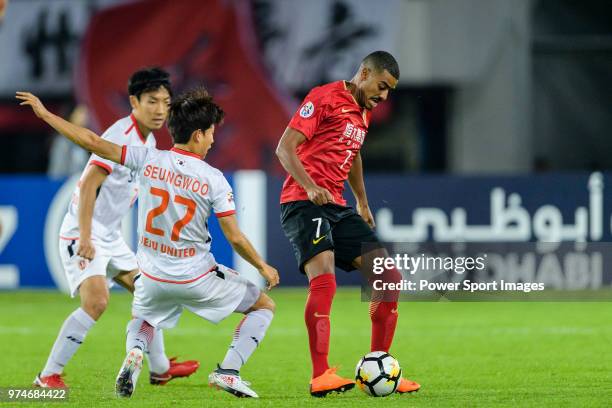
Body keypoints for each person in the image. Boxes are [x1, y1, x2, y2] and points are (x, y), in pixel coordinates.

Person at [17, 87, 280, 399]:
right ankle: (229, 371)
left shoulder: (147, 158)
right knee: (263, 306)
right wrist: (262, 265)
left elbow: (92, 142)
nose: (212, 140)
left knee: (143, 316)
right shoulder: (213, 178)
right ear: (197, 135)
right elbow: (234, 236)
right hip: (196, 277)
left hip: (152, 278)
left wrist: (46, 115)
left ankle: (137, 354)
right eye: (211, 133)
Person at [31, 68, 198, 388]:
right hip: (85, 229)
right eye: (152, 101)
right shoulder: (119, 136)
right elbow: (90, 182)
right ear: (134, 101)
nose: (161, 109)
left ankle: (160, 368)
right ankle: (47, 375)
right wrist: (85, 235)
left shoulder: (146, 138)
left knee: (151, 293)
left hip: (109, 234)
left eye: (165, 102)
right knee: (96, 302)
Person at [275, 51, 421, 396]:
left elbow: (352, 152)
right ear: (365, 73)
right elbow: (285, 148)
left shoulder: (363, 112)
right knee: (325, 280)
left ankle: (382, 366)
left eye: (390, 91)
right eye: (382, 86)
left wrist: (362, 201)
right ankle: (320, 374)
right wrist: (310, 186)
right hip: (301, 201)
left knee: (388, 278)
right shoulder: (323, 97)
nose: (384, 96)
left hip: (337, 207)